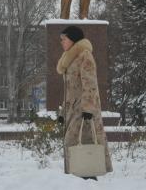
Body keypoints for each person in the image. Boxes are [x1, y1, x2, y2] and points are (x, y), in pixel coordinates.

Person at [57, 26, 112, 179]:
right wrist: (63, 113)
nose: (61, 42)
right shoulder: (70, 58)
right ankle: (81, 178)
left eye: (64, 39)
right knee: (75, 144)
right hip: (72, 109)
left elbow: (90, 84)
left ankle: (87, 178)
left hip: (83, 110)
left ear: (73, 39)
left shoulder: (84, 55)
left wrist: (87, 109)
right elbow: (70, 89)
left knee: (81, 144)